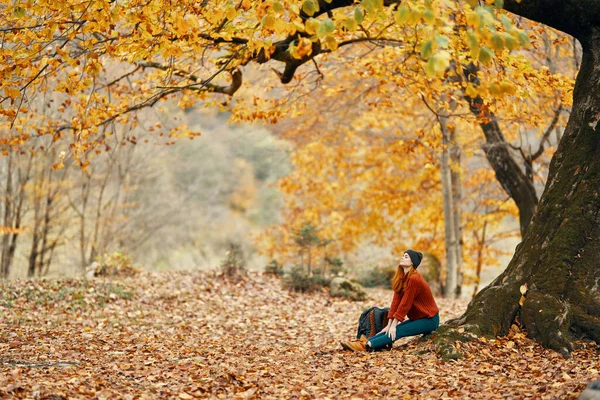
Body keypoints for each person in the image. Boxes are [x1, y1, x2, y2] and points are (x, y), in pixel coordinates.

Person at [340, 250, 440, 352]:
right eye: (403, 255)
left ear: (412, 262)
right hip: (418, 318)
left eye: (406, 256)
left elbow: (405, 304)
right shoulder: (401, 278)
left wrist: (394, 325)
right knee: (391, 329)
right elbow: (396, 302)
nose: (402, 258)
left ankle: (367, 346)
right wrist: (389, 325)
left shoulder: (415, 279)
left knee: (398, 330)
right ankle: (363, 342)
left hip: (430, 320)